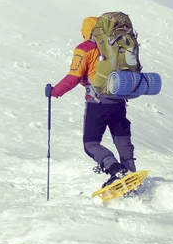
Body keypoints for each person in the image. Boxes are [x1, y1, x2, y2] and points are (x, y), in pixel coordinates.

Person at [49, 16, 136, 186]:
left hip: (98, 103)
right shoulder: (117, 46)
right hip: (119, 100)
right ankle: (130, 170)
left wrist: (53, 91)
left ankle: (115, 168)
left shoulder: (85, 48)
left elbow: (74, 76)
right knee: (121, 137)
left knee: (91, 144)